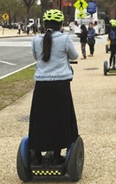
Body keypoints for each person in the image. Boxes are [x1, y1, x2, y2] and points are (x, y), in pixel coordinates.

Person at [29, 9, 79, 166]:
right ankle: (57, 155)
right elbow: (74, 56)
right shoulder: (65, 39)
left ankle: (37, 155)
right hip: (60, 84)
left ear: (44, 24)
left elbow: (36, 57)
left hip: (42, 84)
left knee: (40, 119)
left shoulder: (36, 40)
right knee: (60, 119)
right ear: (61, 24)